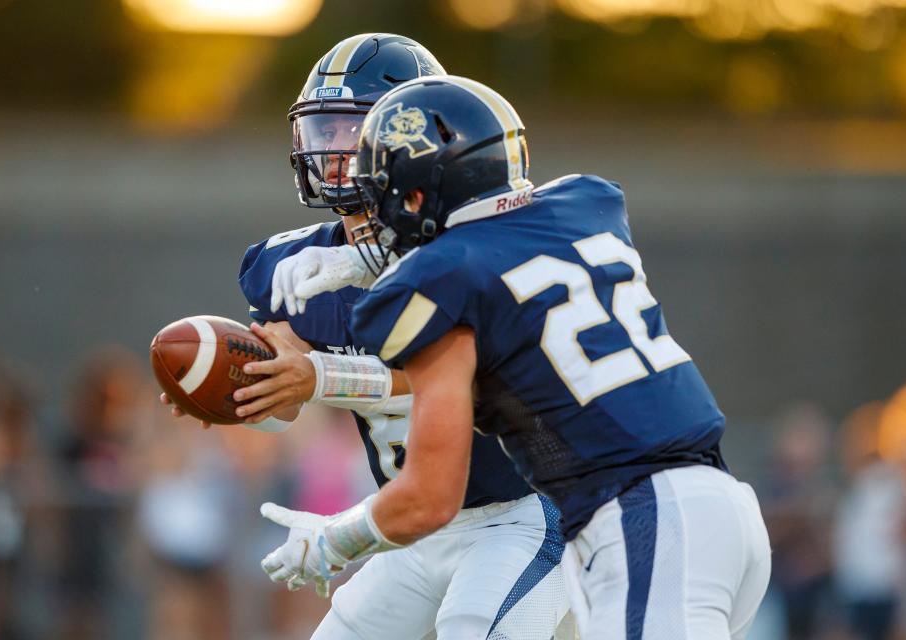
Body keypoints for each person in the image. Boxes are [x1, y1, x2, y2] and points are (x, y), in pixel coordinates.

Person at [253, 75, 772, 639]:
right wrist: (361, 267)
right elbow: (499, 240)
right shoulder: (584, 201)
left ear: (419, 196)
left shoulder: (439, 285)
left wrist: (333, 539)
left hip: (639, 521)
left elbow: (427, 497)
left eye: (388, 195)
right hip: (716, 506)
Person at [166, 35, 570, 639]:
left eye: (350, 133)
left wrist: (321, 375)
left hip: (524, 514)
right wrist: (240, 397)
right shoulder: (289, 266)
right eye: (321, 131)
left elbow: (468, 381)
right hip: (412, 527)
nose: (331, 152)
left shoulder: (469, 250)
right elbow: (286, 412)